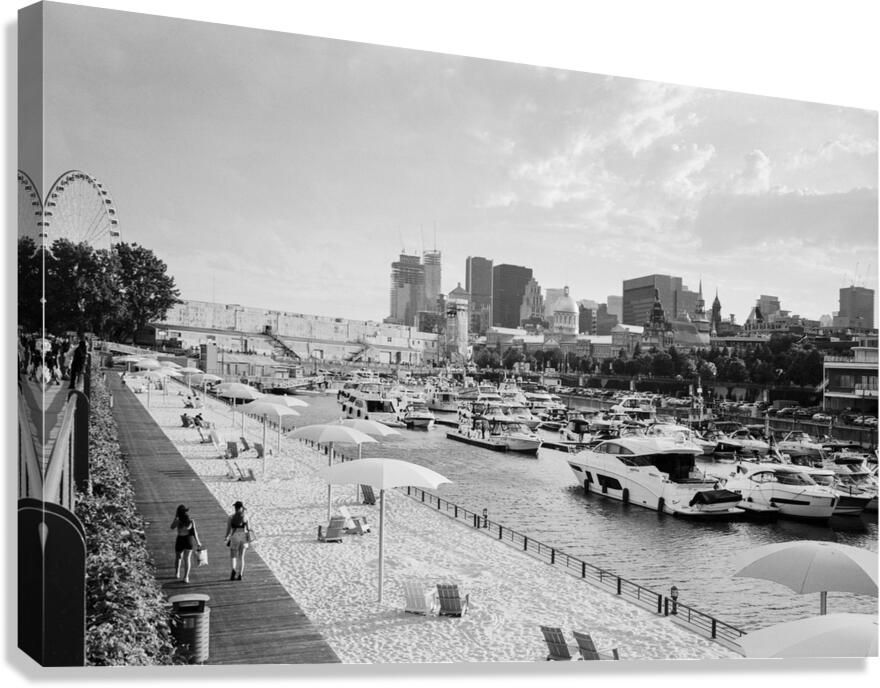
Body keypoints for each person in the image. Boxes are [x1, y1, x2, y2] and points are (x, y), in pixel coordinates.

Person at [170, 504, 202, 583]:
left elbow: (172, 527)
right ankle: (186, 577)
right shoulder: (191, 521)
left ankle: (177, 573)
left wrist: (175, 517)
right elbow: (194, 532)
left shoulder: (178, 521)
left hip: (180, 539)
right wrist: (198, 542)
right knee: (187, 559)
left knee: (178, 557)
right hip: (188, 540)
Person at [224, 500, 251, 581]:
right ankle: (240, 574)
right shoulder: (245, 517)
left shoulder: (231, 517)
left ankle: (233, 570)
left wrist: (226, 537)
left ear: (235, 508)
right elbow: (248, 529)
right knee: (241, 557)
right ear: (242, 508)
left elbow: (228, 529)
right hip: (243, 536)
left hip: (235, 536)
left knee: (233, 556)